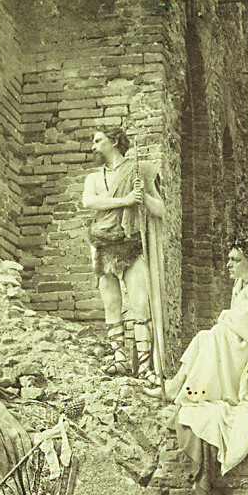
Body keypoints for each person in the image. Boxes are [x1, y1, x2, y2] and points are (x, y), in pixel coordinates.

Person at [154, 237, 248, 495]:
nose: (229, 265)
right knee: (208, 336)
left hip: (238, 353)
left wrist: (237, 330)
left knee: (210, 335)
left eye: (236, 260)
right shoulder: (241, 286)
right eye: (229, 259)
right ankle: (177, 386)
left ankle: (179, 389)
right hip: (226, 351)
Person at [82, 127, 165, 387]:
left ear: (114, 141)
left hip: (130, 242)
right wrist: (125, 200)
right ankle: (119, 359)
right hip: (102, 241)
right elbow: (89, 203)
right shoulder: (94, 178)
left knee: (140, 304)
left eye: (98, 140)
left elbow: (160, 209)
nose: (93, 146)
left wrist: (141, 198)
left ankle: (144, 367)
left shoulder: (140, 171)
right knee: (111, 303)